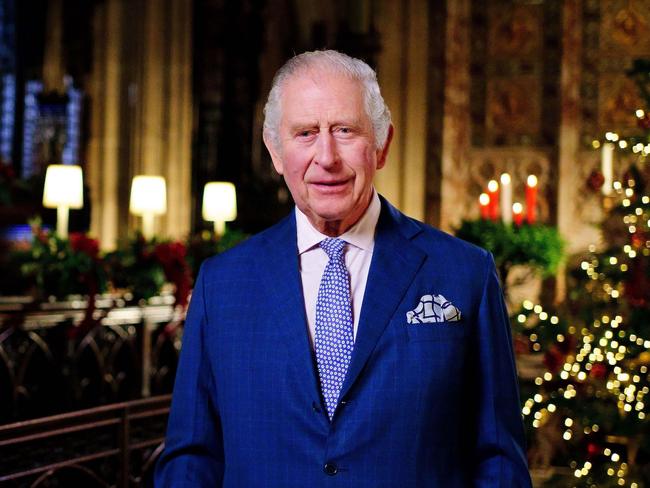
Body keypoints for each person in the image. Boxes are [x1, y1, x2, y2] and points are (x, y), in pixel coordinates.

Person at [154, 49, 532, 487]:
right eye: (305, 133)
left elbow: (499, 460)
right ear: (275, 151)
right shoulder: (223, 283)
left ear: (382, 144)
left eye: (345, 130)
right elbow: (191, 459)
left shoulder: (464, 274)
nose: (327, 157)